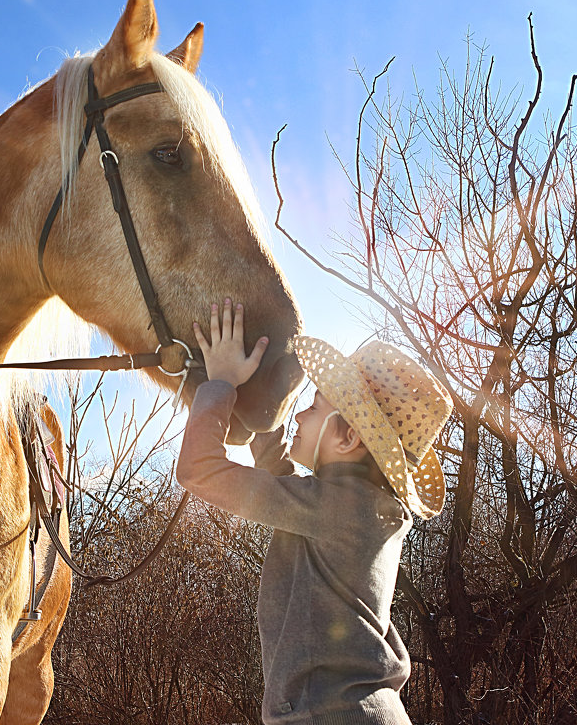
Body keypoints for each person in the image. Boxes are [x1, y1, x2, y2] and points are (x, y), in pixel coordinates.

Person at [177, 299, 453, 725]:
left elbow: (200, 470)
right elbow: (280, 475)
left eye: (315, 406)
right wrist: (261, 399)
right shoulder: (357, 506)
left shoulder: (335, 508)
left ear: (347, 439)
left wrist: (222, 385)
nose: (302, 413)